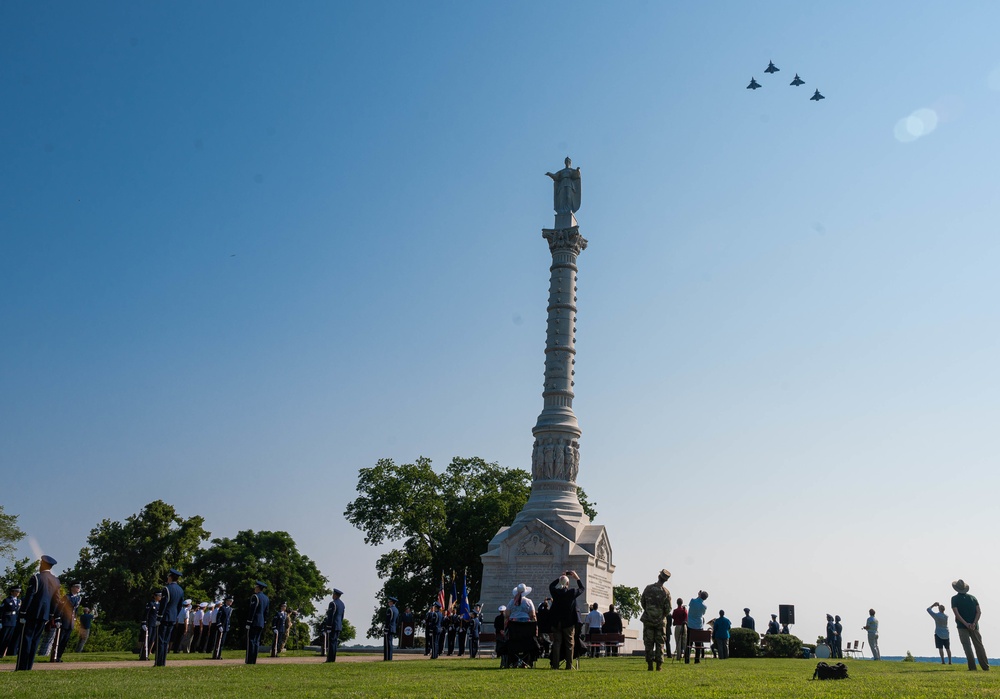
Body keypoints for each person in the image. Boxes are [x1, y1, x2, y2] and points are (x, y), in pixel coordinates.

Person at [15, 555, 60, 671]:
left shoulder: (36, 578)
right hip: (44, 615)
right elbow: (56, 600)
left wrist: (23, 612)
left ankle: (21, 667)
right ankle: (29, 666)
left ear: (43, 565)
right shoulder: (56, 580)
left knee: (26, 639)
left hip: (32, 613)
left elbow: (30, 596)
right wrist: (51, 615)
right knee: (35, 640)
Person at [951, 579, 989, 671]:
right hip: (974, 626)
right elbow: (978, 612)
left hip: (962, 626)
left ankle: (972, 667)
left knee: (967, 647)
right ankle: (985, 666)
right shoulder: (973, 598)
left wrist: (966, 624)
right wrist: (974, 623)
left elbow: (957, 614)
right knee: (979, 646)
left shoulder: (954, 599)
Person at [549, 571, 584, 670]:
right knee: (569, 644)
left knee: (557, 643)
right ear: (568, 584)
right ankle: (568, 666)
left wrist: (561, 577)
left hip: (557, 622)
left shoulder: (555, 592)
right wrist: (577, 578)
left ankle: (555, 665)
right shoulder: (571, 592)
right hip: (568, 623)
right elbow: (582, 589)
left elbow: (551, 585)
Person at [640, 568, 672, 671]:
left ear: (659, 576)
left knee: (648, 642)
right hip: (660, 621)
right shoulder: (666, 593)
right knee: (660, 643)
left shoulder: (648, 589)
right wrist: (660, 614)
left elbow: (643, 602)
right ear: (666, 580)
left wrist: (650, 611)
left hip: (648, 619)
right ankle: (659, 666)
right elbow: (668, 609)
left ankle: (650, 665)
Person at [155, 568, 184, 667]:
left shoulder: (166, 589)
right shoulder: (180, 590)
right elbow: (180, 605)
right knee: (166, 640)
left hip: (165, 617)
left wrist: (159, 617)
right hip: (173, 617)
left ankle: (159, 662)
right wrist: (175, 615)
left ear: (171, 577)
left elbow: (163, 604)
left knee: (161, 640)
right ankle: (163, 661)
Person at [54, 582, 81, 661]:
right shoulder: (67, 597)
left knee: (65, 640)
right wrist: (58, 618)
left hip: (71, 622)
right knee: (60, 639)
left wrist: (75, 619)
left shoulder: (78, 598)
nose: (78, 588)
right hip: (64, 620)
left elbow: (75, 610)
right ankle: (55, 656)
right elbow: (60, 608)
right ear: (72, 588)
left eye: (79, 587)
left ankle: (59, 656)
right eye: (76, 587)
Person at [245, 581, 269, 665]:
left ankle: (249, 660)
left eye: (255, 587)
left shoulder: (255, 597)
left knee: (251, 640)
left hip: (254, 621)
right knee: (256, 641)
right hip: (261, 622)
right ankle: (254, 660)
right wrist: (264, 621)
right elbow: (266, 612)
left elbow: (253, 610)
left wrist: (249, 621)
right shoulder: (266, 598)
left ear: (258, 588)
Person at [685, 590, 709, 664]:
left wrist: (698, 596)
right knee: (698, 644)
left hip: (690, 625)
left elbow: (691, 605)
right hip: (699, 625)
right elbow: (703, 613)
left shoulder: (692, 601)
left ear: (700, 595)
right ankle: (697, 659)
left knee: (689, 643)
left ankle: (687, 659)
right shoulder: (704, 606)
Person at [324, 588, 345, 662]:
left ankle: (330, 659)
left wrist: (328, 626)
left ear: (335, 595)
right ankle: (333, 658)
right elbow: (342, 616)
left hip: (333, 625)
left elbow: (331, 616)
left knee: (331, 643)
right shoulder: (342, 604)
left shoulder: (333, 603)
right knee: (335, 643)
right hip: (338, 625)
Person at [139, 591, 162, 661]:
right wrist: (144, 623)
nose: (160, 597)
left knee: (152, 640)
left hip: (155, 624)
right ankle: (143, 654)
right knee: (147, 640)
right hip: (150, 624)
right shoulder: (151, 603)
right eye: (159, 595)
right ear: (155, 596)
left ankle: (148, 653)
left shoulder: (159, 604)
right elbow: (146, 614)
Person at [0, 585, 21, 658]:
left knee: (8, 639)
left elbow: (17, 612)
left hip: (13, 621)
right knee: (3, 637)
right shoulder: (7, 600)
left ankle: (3, 653)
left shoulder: (18, 601)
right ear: (12, 592)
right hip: (6, 621)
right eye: (16, 591)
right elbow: (1, 611)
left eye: (18, 591)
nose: (18, 593)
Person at [384, 596, 398, 661]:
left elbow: (388, 620)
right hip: (393, 627)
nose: (388, 603)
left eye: (389, 601)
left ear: (392, 602)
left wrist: (386, 628)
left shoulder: (390, 610)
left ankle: (387, 657)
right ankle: (390, 657)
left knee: (387, 643)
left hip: (389, 628)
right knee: (390, 643)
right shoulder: (396, 610)